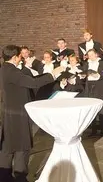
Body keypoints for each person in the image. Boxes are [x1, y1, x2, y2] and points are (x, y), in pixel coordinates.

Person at [0, 45, 64, 182]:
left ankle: (4, 175)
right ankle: (20, 176)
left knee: (8, 146)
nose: (21, 59)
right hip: (18, 114)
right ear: (14, 57)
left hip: (9, 112)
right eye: (20, 57)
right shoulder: (12, 72)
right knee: (22, 146)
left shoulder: (5, 69)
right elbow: (33, 83)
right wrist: (52, 74)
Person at [83, 49, 103, 137]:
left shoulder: (102, 63)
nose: (90, 57)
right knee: (92, 110)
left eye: (92, 55)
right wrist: (83, 75)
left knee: (101, 110)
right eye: (89, 55)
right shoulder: (87, 64)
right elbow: (83, 73)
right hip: (90, 86)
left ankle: (102, 130)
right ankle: (93, 130)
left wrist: (98, 75)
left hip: (99, 86)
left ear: (96, 54)